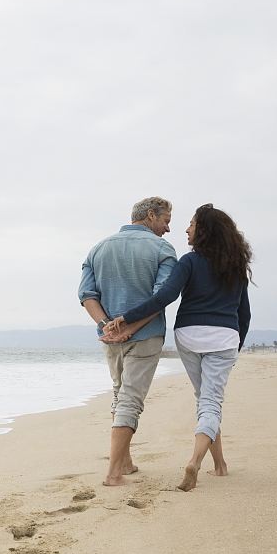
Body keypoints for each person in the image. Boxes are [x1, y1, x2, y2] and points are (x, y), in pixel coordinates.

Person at [103, 204, 252, 492]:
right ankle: (195, 461)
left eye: (192, 224)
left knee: (205, 399)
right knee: (211, 401)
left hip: (189, 335)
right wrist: (237, 347)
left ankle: (219, 465)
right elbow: (244, 314)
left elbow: (165, 297)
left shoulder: (189, 262)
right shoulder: (236, 267)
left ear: (204, 230)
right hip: (224, 338)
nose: (186, 229)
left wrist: (128, 318)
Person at [78, 197, 177, 487]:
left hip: (109, 337)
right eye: (166, 221)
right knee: (130, 399)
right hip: (145, 334)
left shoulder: (99, 247)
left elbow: (86, 295)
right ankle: (113, 473)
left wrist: (106, 326)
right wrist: (129, 327)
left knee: (120, 393)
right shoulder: (162, 248)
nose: (168, 229)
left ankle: (125, 461)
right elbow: (162, 297)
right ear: (150, 215)